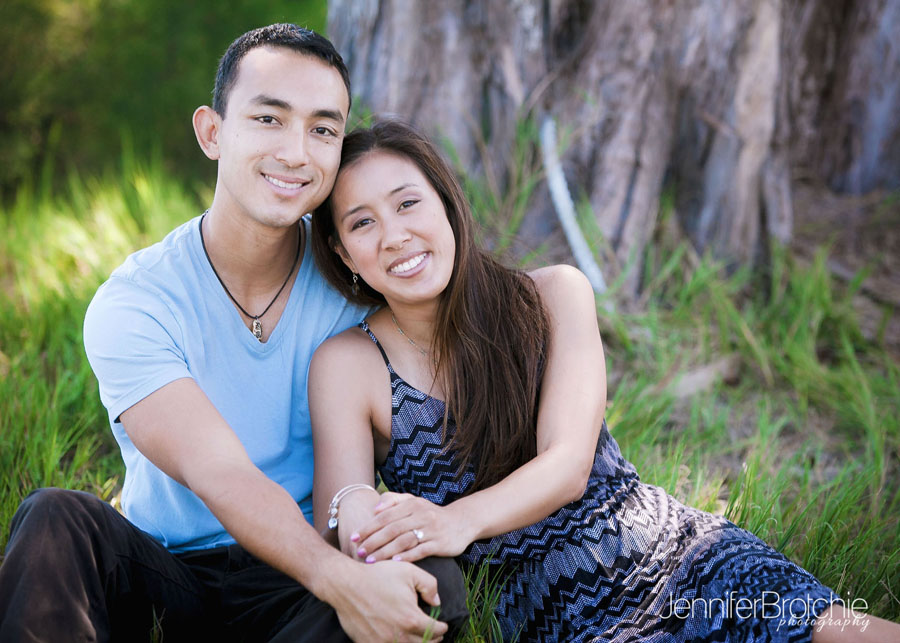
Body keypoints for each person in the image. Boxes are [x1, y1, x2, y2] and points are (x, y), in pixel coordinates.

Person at [308, 119, 900, 642]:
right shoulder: (349, 363)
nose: (395, 235)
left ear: (446, 203)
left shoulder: (551, 296)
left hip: (679, 554)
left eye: (408, 204)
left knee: (846, 631)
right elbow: (336, 516)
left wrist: (452, 521)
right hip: (560, 615)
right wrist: (361, 516)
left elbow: (568, 466)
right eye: (363, 223)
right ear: (344, 252)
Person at [0, 25, 466, 642]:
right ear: (212, 133)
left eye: (323, 129)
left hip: (298, 588)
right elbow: (221, 473)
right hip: (167, 577)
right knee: (53, 517)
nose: (297, 152)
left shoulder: (359, 283)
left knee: (430, 576)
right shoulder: (137, 301)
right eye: (269, 119)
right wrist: (339, 579)